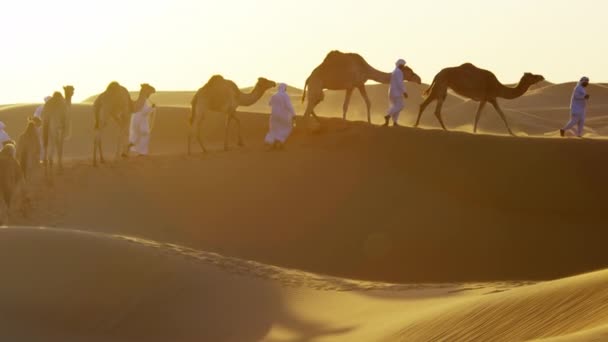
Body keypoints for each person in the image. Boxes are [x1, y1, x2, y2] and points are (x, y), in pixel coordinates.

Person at [265, 83, 295, 149]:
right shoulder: (285, 95)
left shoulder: (274, 95)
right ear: (284, 88)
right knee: (287, 128)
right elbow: (289, 106)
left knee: (274, 129)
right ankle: (279, 142)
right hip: (283, 116)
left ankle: (270, 142)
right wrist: (293, 114)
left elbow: (269, 103)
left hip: (274, 115)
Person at [384, 58, 409, 127]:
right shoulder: (399, 72)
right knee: (400, 106)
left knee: (395, 106)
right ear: (400, 65)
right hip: (397, 93)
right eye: (403, 65)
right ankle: (388, 115)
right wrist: (404, 92)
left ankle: (394, 122)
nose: (404, 66)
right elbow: (400, 83)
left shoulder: (395, 71)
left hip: (392, 92)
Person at [33, 96, 51, 161]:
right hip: (43, 127)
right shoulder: (42, 108)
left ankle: (43, 158)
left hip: (42, 127)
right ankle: (43, 158)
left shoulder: (40, 108)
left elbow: (35, 117)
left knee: (42, 143)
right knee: (42, 143)